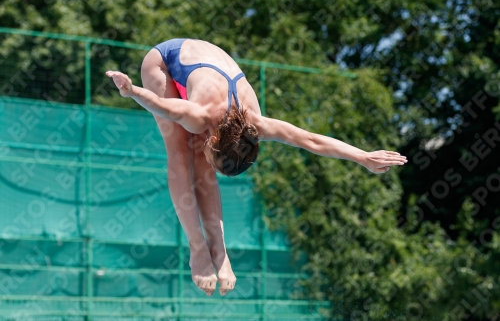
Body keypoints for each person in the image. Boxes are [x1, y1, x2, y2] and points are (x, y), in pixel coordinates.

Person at [105, 38, 407, 297]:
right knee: (182, 151)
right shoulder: (198, 115)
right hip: (165, 62)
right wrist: (132, 91)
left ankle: (220, 251)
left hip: (209, 68)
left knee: (203, 162)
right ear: (214, 136)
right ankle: (197, 248)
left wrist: (363, 157)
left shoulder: (257, 124)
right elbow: (165, 107)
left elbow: (311, 141)